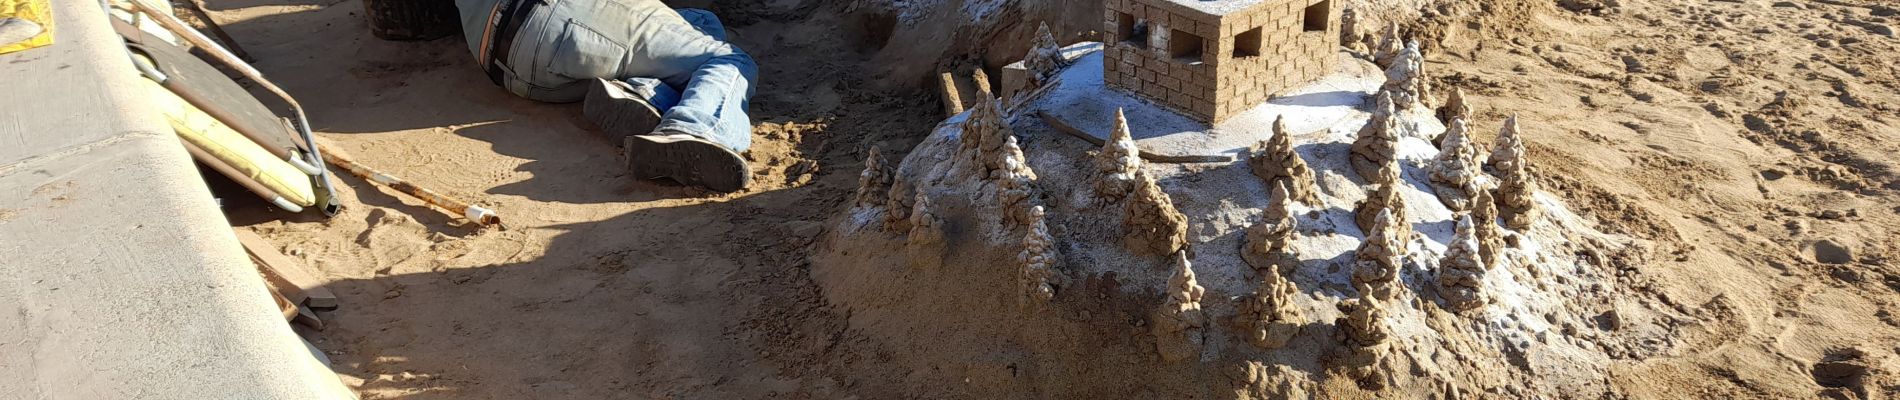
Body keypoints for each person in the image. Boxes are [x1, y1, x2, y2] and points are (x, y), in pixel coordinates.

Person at [455, 0, 757, 192]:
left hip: (511, 71)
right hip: (555, 18)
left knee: (702, 24)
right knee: (727, 59)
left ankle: (643, 93)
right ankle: (694, 129)